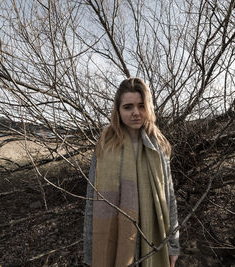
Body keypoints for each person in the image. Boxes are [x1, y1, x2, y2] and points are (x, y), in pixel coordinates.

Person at [83, 78, 180, 267]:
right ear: (118, 111)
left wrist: (173, 246)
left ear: (149, 108)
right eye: (128, 107)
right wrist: (89, 253)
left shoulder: (158, 147)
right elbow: (91, 201)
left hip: (152, 235)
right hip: (116, 235)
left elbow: (169, 198)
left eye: (141, 106)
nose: (136, 113)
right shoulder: (105, 146)